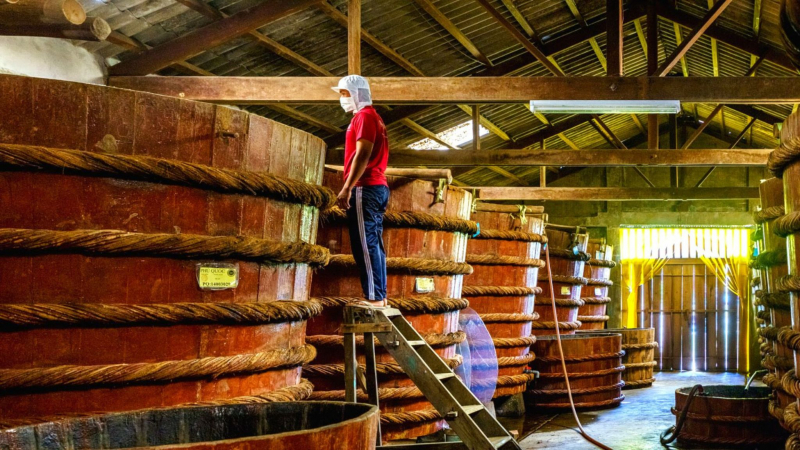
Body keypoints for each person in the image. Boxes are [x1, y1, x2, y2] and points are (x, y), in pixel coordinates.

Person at [332, 75, 390, 306]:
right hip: (376, 187)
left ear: (356, 94)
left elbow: (362, 154)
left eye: (344, 94)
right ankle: (380, 296)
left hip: (365, 187)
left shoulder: (364, 117)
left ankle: (375, 297)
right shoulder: (374, 117)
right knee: (373, 242)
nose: (342, 99)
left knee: (364, 244)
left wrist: (347, 187)